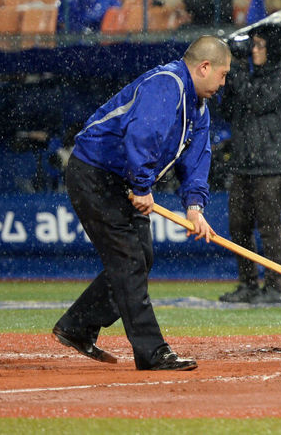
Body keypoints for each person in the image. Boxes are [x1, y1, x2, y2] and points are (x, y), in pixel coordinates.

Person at [51, 36, 231, 371]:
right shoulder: (167, 84)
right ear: (204, 67)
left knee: (141, 257)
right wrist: (142, 185)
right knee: (129, 260)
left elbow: (196, 160)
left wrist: (195, 207)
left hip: (124, 181)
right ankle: (151, 352)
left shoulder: (199, 108)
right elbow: (142, 135)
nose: (223, 82)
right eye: (222, 74)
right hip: (95, 174)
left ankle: (78, 325)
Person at [217, 17, 281, 304]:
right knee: (237, 227)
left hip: (271, 166)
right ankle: (248, 284)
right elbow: (228, 109)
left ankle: (274, 287)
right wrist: (232, 74)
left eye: (259, 46)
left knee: (269, 229)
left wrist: (238, 70)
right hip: (243, 164)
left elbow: (258, 101)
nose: (253, 50)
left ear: (274, 48)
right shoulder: (249, 76)